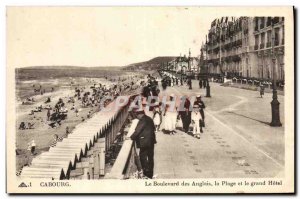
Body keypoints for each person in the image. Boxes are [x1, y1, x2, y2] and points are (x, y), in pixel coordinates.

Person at [130, 109, 156, 179]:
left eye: (137, 115)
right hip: (151, 141)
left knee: (143, 157)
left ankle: (146, 172)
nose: (136, 117)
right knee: (150, 157)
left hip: (144, 142)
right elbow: (153, 128)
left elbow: (137, 131)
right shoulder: (149, 119)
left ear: (140, 114)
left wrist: (131, 137)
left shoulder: (142, 120)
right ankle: (150, 173)